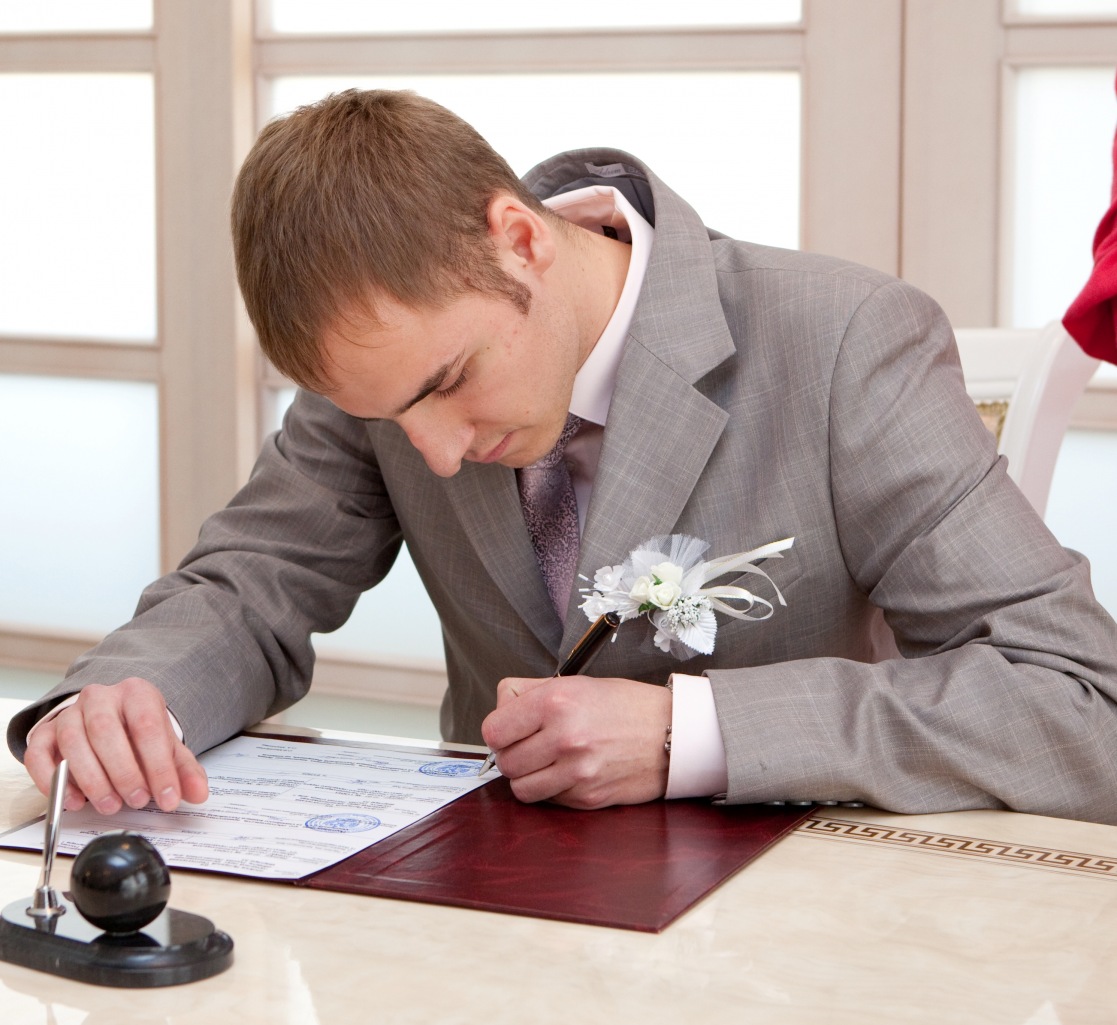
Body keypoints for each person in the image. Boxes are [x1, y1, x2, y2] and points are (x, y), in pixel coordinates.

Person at [10, 90, 1117, 824]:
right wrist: (119, 705)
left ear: (521, 238)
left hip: (797, 918)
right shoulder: (394, 374)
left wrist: (698, 733)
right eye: (391, 415)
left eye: (446, 384)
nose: (435, 451)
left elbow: (1079, 703)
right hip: (487, 915)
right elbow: (248, 586)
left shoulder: (842, 340)